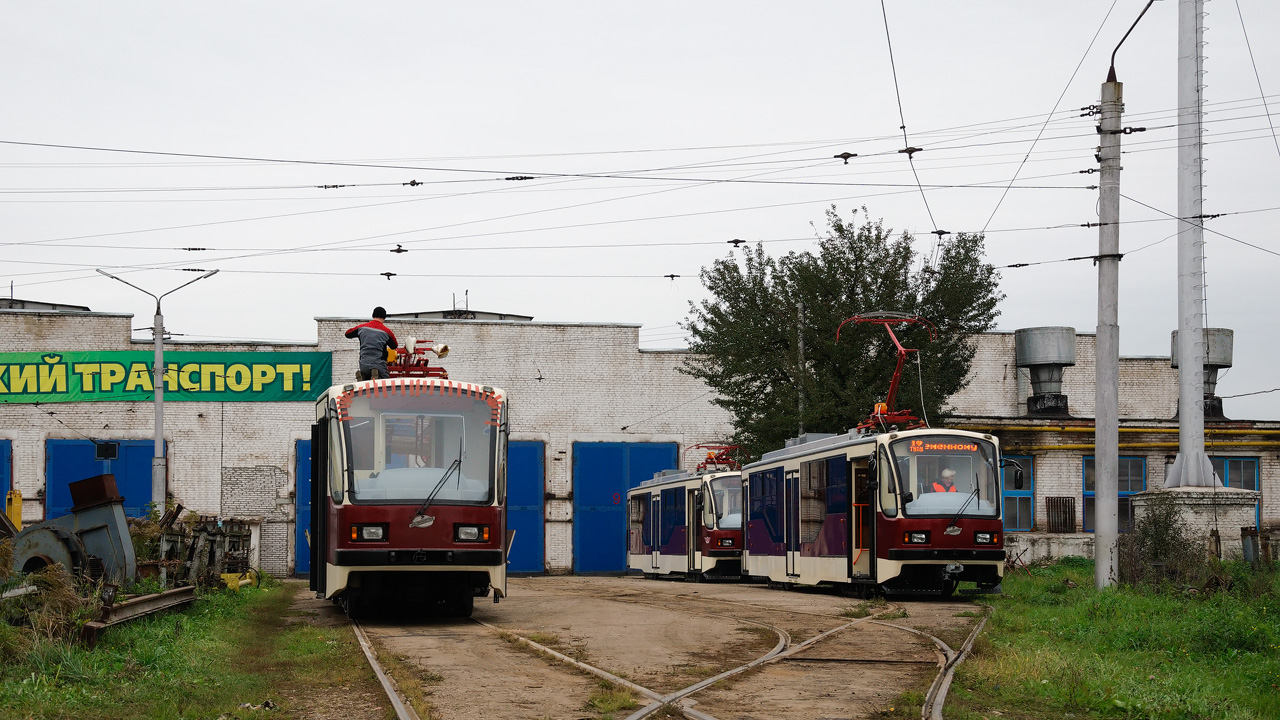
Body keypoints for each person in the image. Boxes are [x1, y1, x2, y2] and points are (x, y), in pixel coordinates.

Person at [345, 307, 398, 380]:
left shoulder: (362, 328)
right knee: (385, 384)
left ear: (373, 315)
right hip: (379, 364)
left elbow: (347, 334)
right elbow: (394, 345)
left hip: (364, 364)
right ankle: (375, 375)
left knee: (366, 385)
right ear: (384, 317)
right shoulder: (387, 332)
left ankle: (364, 378)